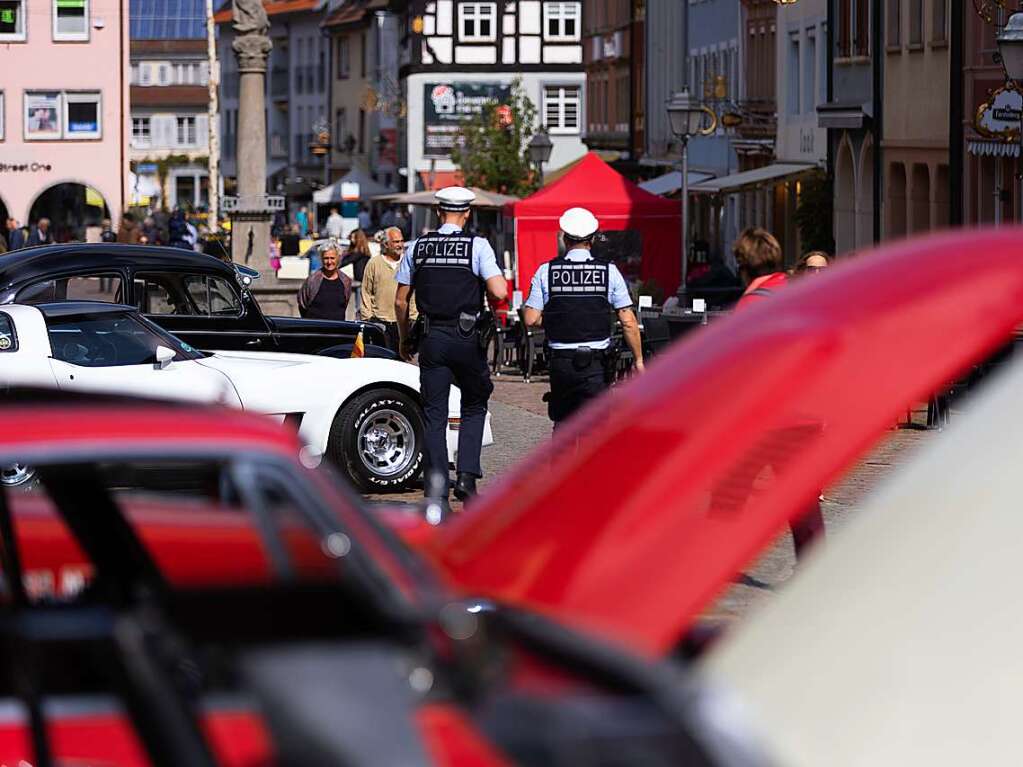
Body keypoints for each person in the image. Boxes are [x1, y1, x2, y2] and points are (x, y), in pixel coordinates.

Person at [395, 186, 507, 502]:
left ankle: (436, 482)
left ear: (438, 211)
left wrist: (405, 337)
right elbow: (498, 292)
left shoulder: (417, 247)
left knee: (435, 412)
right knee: (474, 403)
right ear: (467, 214)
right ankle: (467, 477)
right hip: (467, 338)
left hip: (432, 338)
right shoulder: (477, 246)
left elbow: (401, 301)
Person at [732, 227, 825, 561]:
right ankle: (814, 571)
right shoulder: (798, 291)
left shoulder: (750, 305)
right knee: (800, 496)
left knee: (730, 491)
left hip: (769, 416)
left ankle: (709, 563)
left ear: (742, 264)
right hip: (805, 409)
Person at [523, 207, 644, 428]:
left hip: (561, 361)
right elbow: (628, 320)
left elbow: (531, 318)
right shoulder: (609, 271)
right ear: (593, 240)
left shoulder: (546, 271)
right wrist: (638, 360)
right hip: (597, 364)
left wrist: (559, 319)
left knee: (563, 427)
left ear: (564, 238)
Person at [362, 226, 416, 350]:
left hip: (404, 324)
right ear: (386, 244)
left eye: (402, 241)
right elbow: (366, 292)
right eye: (396, 242)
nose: (400, 245)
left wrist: (413, 318)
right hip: (380, 324)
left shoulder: (409, 264)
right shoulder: (374, 263)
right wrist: (368, 319)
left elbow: (415, 294)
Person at [297, 244, 352, 321]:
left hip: (338, 329)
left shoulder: (346, 281)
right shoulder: (312, 280)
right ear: (321, 259)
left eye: (332, 258)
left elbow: (345, 304)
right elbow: (303, 304)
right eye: (326, 258)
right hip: (315, 329)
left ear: (338, 258)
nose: (329, 262)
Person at [342, 229, 373, 320]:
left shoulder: (359, 253)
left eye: (353, 237)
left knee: (359, 308)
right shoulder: (363, 252)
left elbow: (345, 261)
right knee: (360, 307)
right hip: (362, 283)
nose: (352, 240)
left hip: (361, 283)